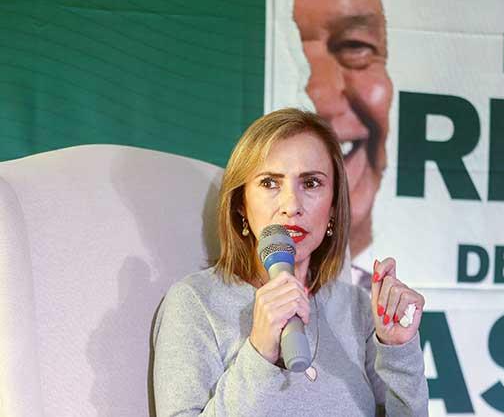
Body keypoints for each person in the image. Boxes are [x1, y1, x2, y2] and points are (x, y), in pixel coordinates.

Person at [153, 108, 427, 416]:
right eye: (270, 183)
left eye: (311, 183)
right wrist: (259, 352)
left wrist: (398, 351)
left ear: (333, 206)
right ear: (241, 203)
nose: (292, 205)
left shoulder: (358, 308)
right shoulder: (195, 302)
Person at [291, 0, 392, 288]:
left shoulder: (364, 303)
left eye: (354, 45)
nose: (322, 96)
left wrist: (394, 326)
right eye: (269, 183)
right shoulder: (200, 299)